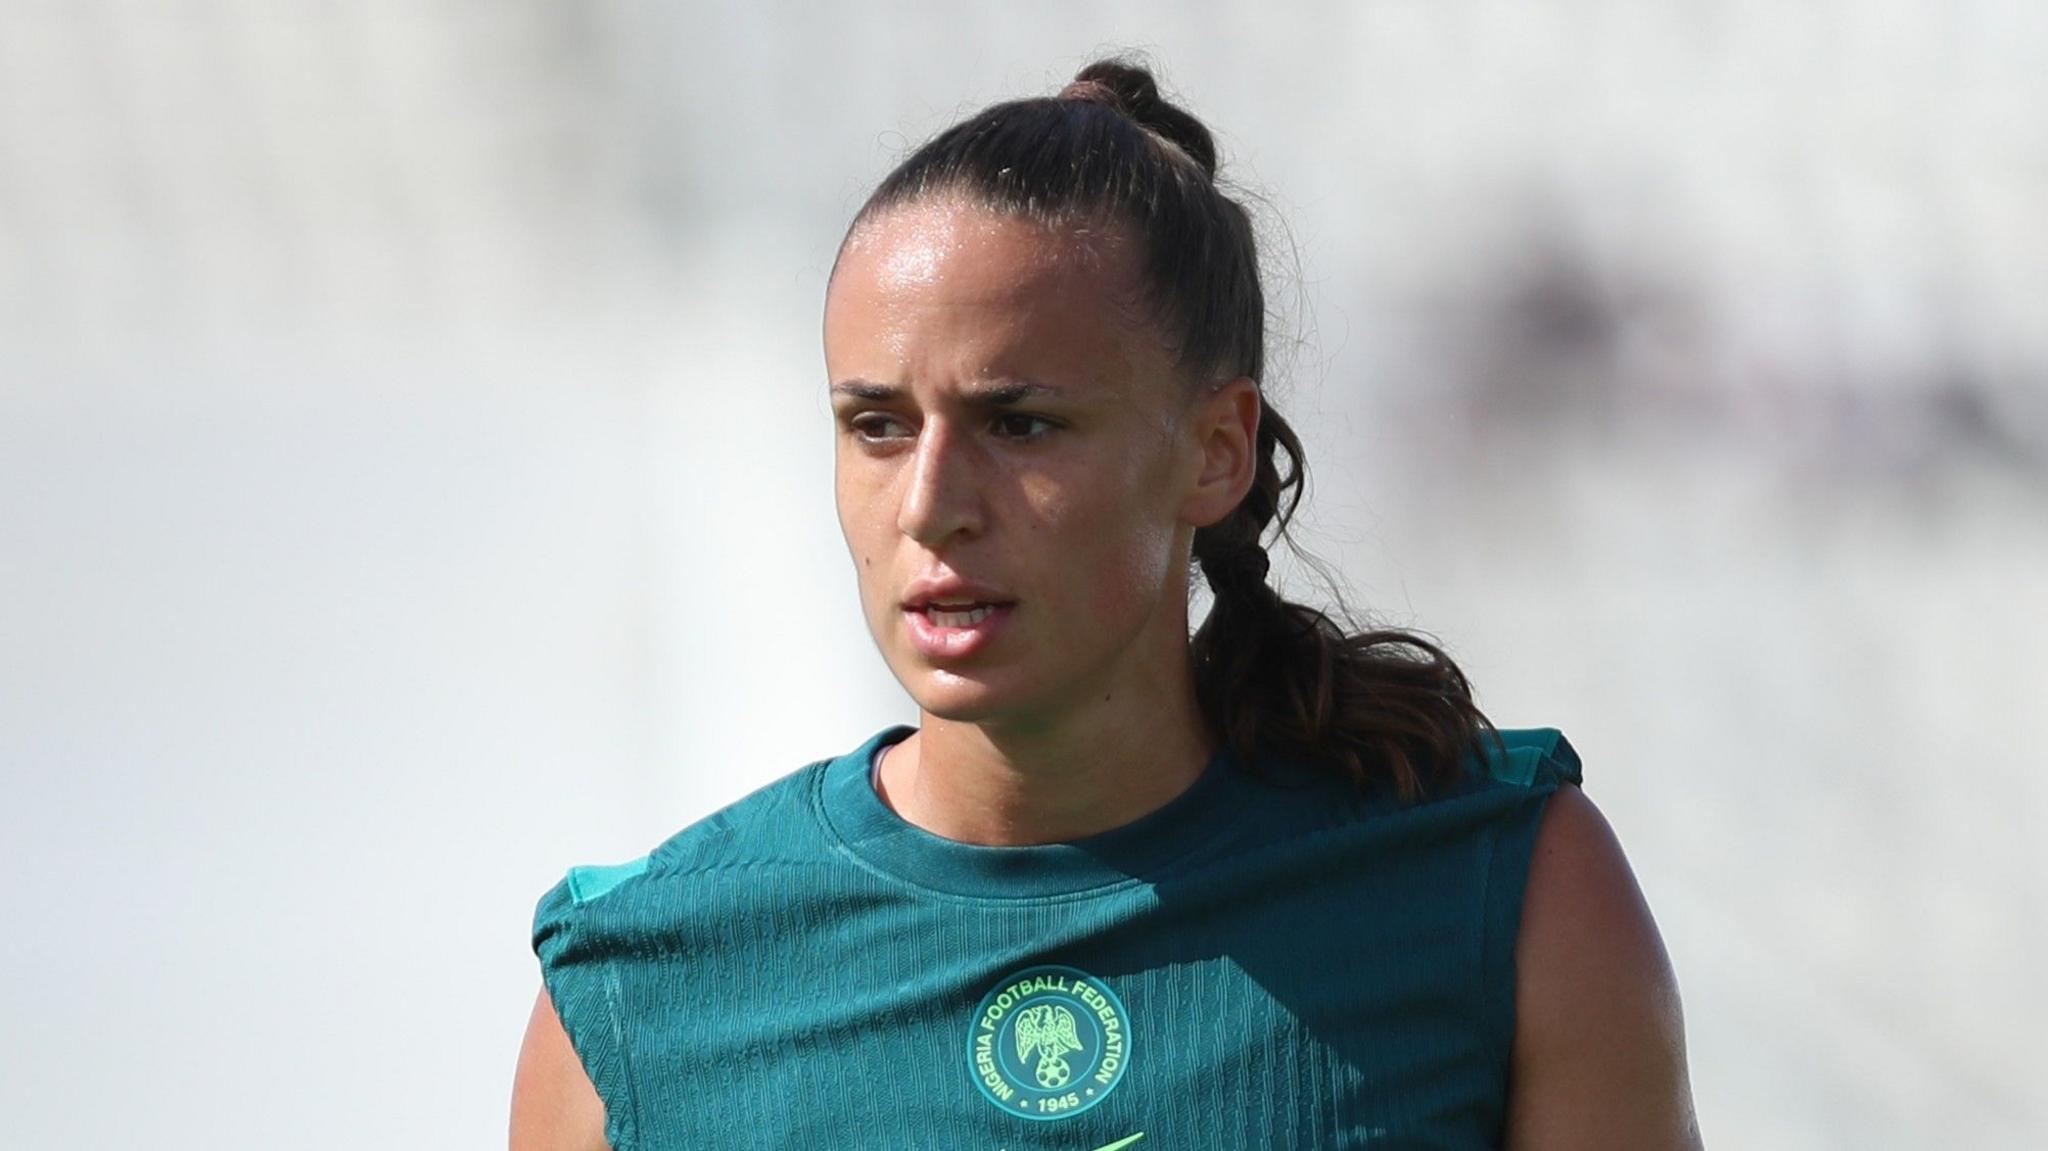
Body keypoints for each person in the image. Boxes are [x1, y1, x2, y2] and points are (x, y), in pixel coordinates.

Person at [510, 58, 1701, 1151]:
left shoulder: (1502, 888)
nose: (928, 504)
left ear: (1214, 451)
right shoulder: (639, 986)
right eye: (876, 425)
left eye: (1018, 424)